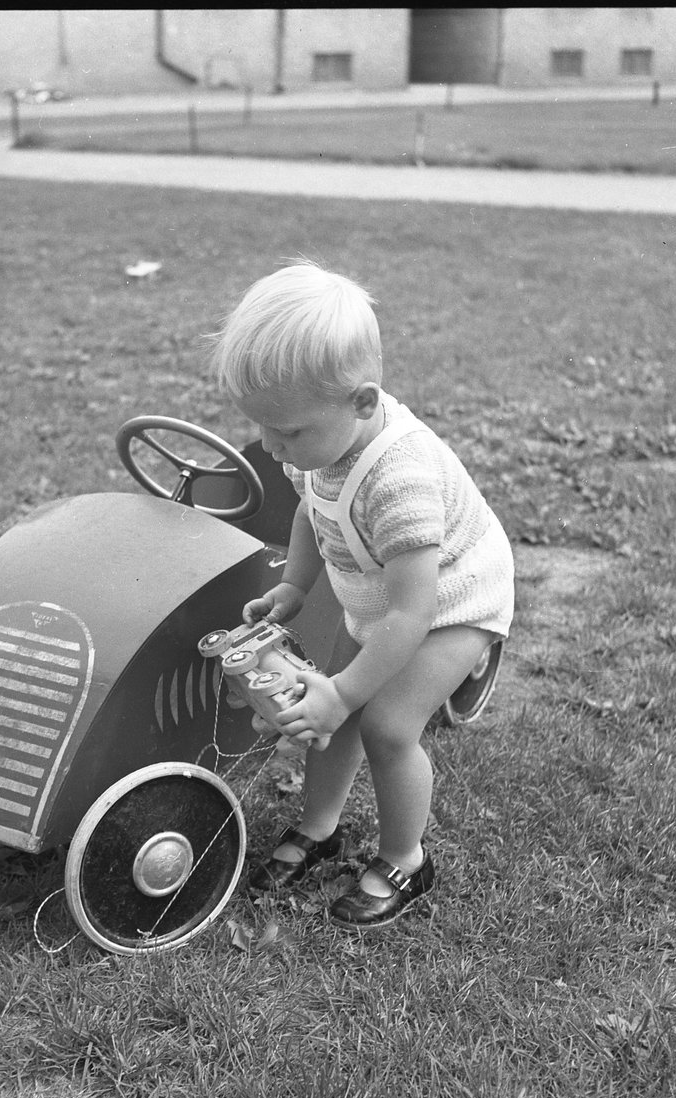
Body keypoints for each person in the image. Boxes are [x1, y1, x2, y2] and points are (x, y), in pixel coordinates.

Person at [208, 261, 514, 930]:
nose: (271, 445)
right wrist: (293, 585)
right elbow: (312, 510)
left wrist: (346, 691)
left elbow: (415, 611)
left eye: (286, 433)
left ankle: (405, 859)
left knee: (383, 723)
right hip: (378, 594)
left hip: (451, 602)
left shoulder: (399, 481)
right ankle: (319, 829)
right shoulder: (314, 438)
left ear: (364, 401)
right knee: (335, 715)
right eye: (263, 428)